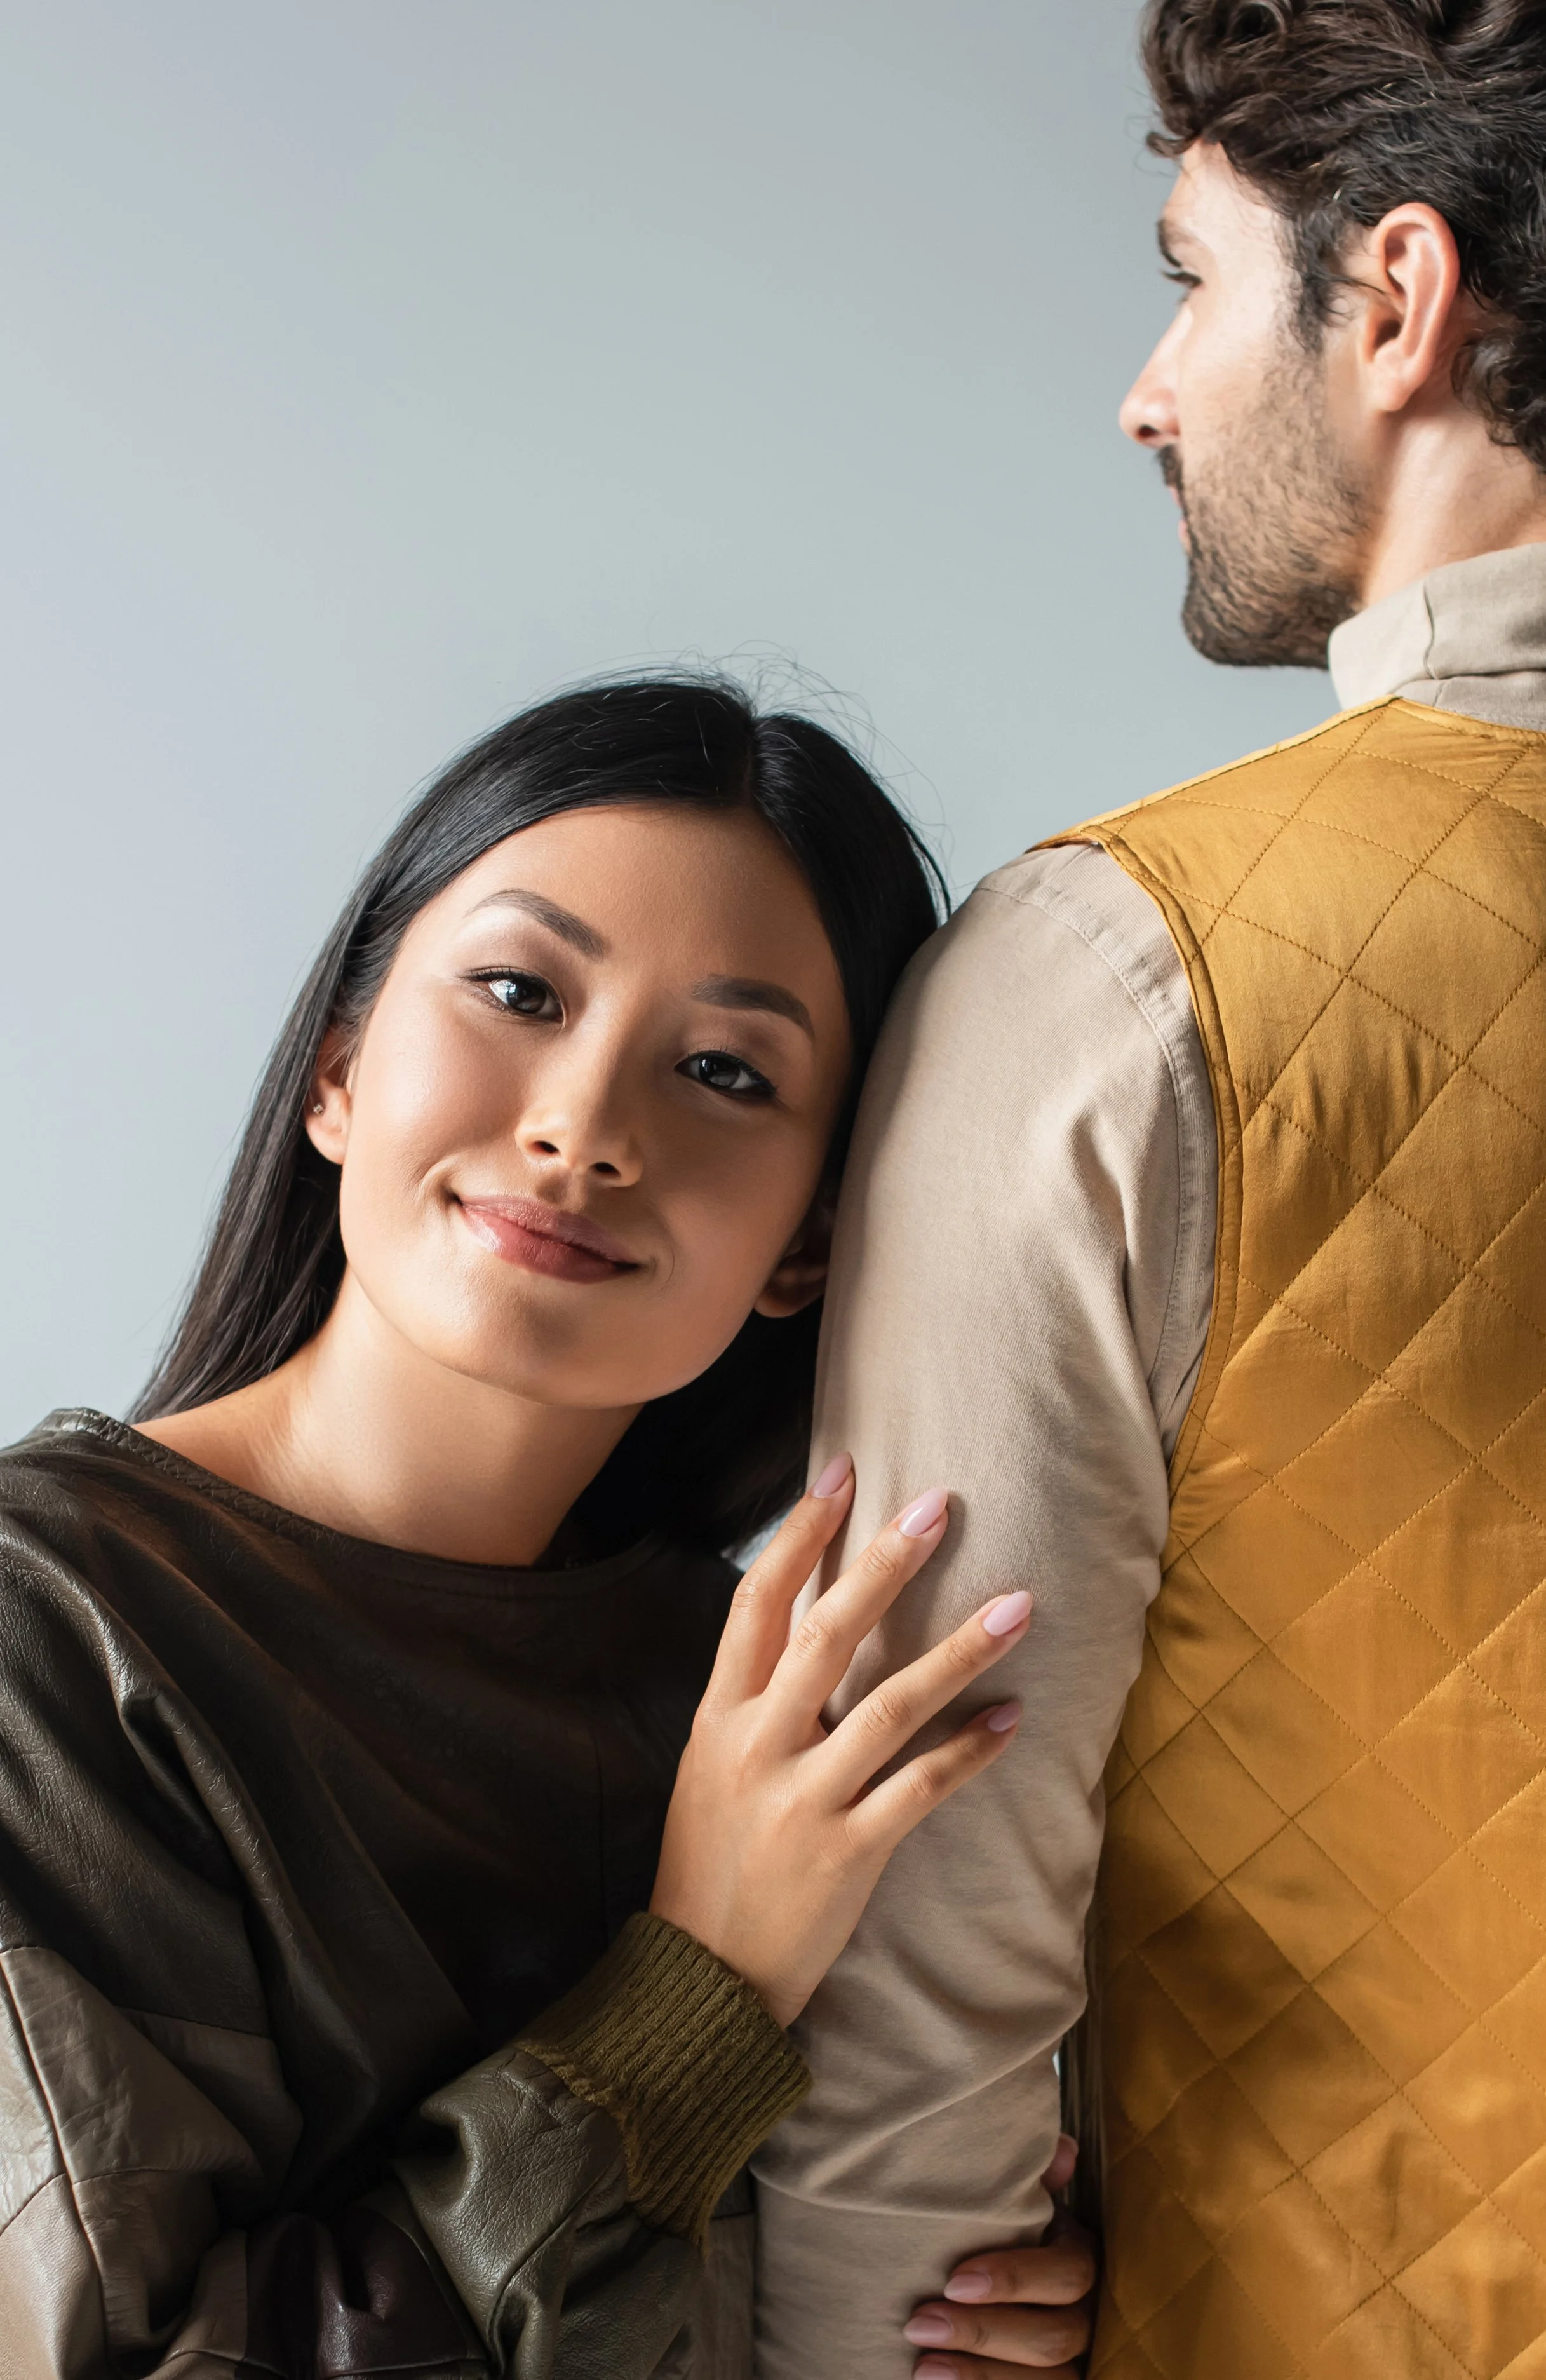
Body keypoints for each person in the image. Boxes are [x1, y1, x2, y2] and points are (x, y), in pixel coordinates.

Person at [751, 4, 1546, 2376]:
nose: (1147, 394)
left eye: (1191, 281)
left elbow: (923, 1927)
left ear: (1398, 300)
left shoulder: (1122, 974)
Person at [0, 677, 1092, 2376]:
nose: (584, 1127)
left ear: (809, 1243)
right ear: (341, 1070)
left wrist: (993, 2287)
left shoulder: (773, 1721)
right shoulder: (52, 1638)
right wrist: (698, 1986)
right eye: (521, 991)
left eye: (724, 1070)